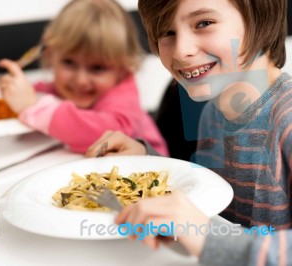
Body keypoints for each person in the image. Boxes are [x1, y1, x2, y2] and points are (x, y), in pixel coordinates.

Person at [86, 0, 291, 264]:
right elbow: (213, 204)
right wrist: (148, 162)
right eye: (167, 33)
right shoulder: (213, 113)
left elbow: (212, 234)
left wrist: (208, 237)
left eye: (204, 23)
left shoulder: (287, 119)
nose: (181, 51)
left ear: (260, 19)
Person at [0, 0, 168, 156]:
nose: (81, 80)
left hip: (153, 175)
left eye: (97, 68)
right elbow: (36, 94)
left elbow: (105, 134)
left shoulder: (123, 96)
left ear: (123, 68)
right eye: (69, 63)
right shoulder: (59, 88)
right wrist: (5, 93)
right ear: (50, 55)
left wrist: (34, 107)